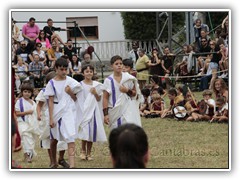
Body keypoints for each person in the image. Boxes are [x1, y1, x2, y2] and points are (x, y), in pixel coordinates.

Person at [44, 57, 82, 168]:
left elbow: (76, 99)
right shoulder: (51, 83)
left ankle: (72, 165)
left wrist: (70, 92)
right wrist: (51, 118)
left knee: (70, 137)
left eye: (66, 69)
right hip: (56, 111)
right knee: (54, 139)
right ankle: (54, 161)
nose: (64, 72)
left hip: (68, 112)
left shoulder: (71, 81)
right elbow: (50, 101)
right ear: (56, 69)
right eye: (62, 69)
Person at [36, 71, 69, 168]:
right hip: (48, 118)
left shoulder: (63, 90)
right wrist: (39, 114)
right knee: (49, 139)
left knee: (62, 139)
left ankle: (61, 159)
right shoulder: (44, 91)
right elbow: (39, 106)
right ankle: (52, 161)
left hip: (61, 117)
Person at [77, 65, 107, 161]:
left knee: (91, 132)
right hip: (84, 111)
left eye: (90, 71)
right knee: (85, 131)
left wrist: (95, 93)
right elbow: (79, 99)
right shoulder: (80, 85)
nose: (89, 73)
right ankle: (82, 151)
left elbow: (99, 99)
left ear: (93, 73)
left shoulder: (96, 85)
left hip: (93, 111)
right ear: (83, 73)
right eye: (87, 71)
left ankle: (89, 153)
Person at [103, 55, 141, 130]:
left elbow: (134, 94)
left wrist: (127, 90)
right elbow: (105, 98)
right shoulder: (108, 80)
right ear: (112, 66)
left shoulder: (128, 78)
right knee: (117, 134)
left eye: (120, 63)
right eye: (116, 64)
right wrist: (105, 114)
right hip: (114, 111)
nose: (119, 66)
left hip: (127, 110)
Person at [15, 82, 40, 163]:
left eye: (29, 92)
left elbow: (36, 112)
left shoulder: (33, 102)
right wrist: (27, 112)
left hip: (31, 125)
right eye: (25, 91)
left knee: (31, 140)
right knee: (26, 138)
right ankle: (26, 156)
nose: (27, 93)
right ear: (22, 92)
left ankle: (29, 154)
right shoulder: (19, 102)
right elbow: (17, 113)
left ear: (31, 93)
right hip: (22, 123)